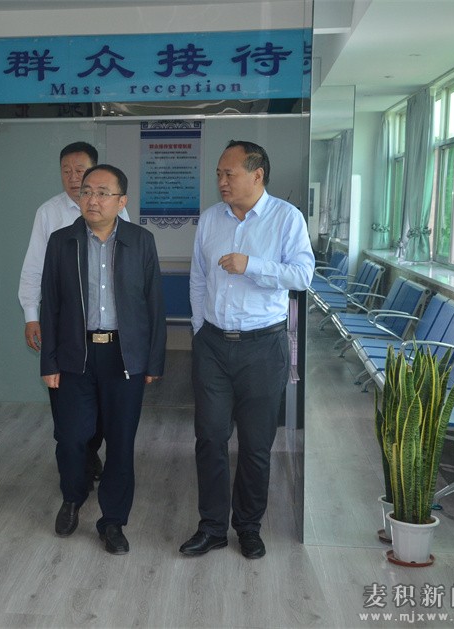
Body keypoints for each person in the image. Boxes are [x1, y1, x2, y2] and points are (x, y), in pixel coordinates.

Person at [180, 140, 314, 560]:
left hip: (263, 347)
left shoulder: (286, 218)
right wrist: (199, 330)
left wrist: (251, 265)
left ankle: (249, 527)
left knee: (256, 446)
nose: (221, 181)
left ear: (257, 175)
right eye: (219, 174)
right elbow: (198, 279)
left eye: (229, 173)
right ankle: (212, 527)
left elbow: (303, 275)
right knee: (209, 438)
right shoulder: (209, 220)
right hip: (213, 345)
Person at [40, 164, 165, 555]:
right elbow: (50, 304)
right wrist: (49, 362)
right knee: (71, 437)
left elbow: (154, 304)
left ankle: (113, 521)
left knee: (121, 442)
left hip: (123, 355)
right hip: (75, 354)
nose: (92, 200)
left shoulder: (141, 241)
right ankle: (72, 497)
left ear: (121, 201)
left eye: (102, 193)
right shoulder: (62, 241)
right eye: (86, 192)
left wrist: (153, 362)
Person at [19, 141, 130, 486]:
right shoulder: (49, 213)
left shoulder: (116, 212)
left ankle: (88, 451)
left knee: (102, 410)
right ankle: (75, 469)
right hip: (65, 327)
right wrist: (31, 314)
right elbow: (33, 267)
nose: (72, 177)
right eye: (66, 170)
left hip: (106, 331)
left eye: (79, 170)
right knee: (66, 405)